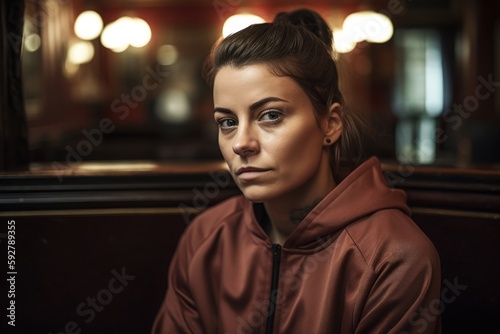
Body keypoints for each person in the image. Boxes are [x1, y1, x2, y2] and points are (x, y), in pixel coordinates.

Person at [152, 8, 441, 334]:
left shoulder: (392, 256)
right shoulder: (205, 239)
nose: (241, 143)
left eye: (271, 115)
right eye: (228, 122)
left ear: (331, 123)